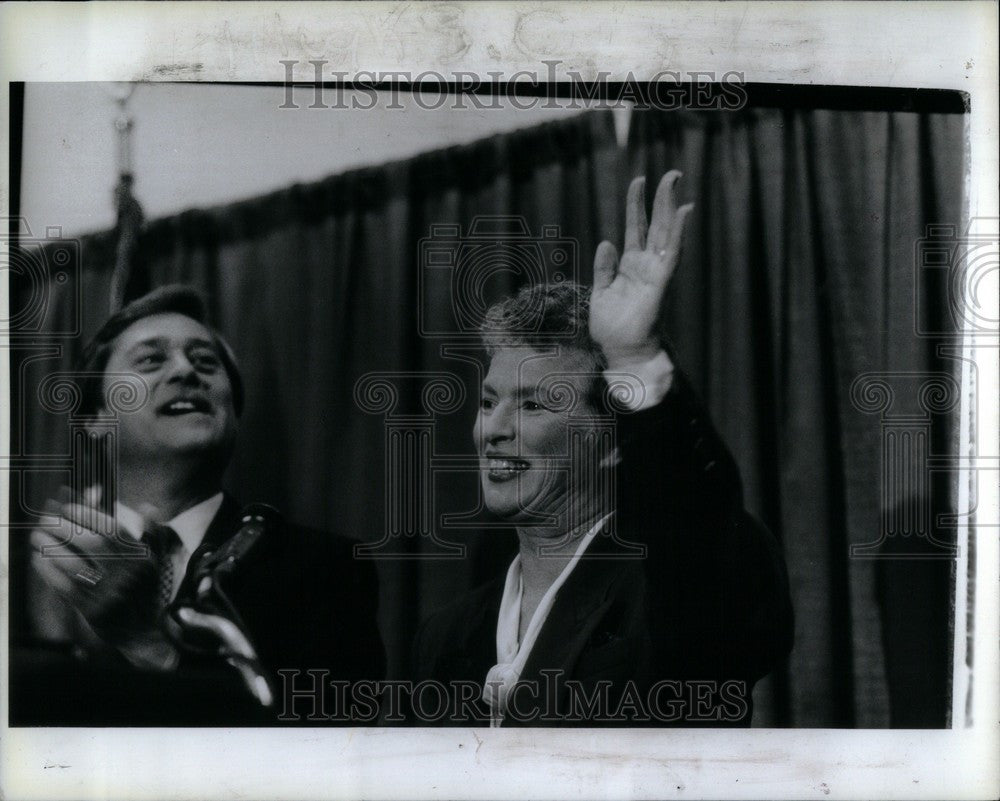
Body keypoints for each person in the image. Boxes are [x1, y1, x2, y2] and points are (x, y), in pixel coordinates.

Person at [411, 171, 794, 726]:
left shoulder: (675, 589)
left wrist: (634, 359)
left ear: (611, 440)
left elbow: (700, 533)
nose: (492, 429)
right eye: (488, 401)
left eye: (533, 405)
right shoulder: (445, 636)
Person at [19, 285, 385, 725]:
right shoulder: (29, 576)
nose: (185, 371)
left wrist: (148, 646)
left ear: (235, 413)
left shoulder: (327, 571)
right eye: (151, 359)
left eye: (206, 361)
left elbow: (328, 761)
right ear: (94, 418)